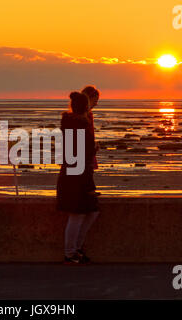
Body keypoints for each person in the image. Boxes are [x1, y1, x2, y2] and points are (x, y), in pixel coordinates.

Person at [56, 91, 100, 265]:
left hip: (73, 175)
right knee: (79, 214)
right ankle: (71, 252)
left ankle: (75, 249)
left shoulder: (70, 125)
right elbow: (82, 156)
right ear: (86, 107)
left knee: (89, 212)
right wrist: (94, 148)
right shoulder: (80, 127)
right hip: (78, 177)